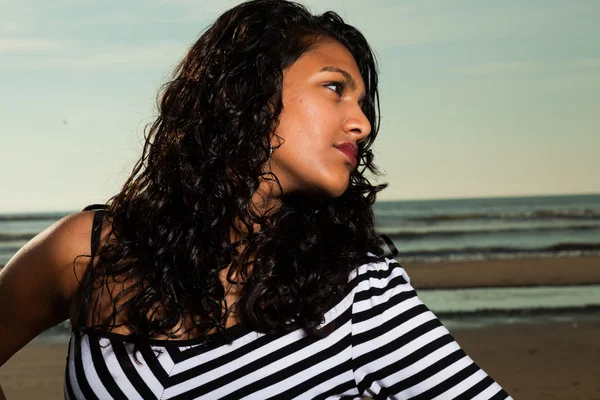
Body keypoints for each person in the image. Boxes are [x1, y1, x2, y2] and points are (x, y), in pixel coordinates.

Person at [0, 1, 513, 398]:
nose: (362, 122)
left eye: (362, 102)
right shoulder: (86, 249)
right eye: (335, 88)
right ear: (246, 91)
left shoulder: (360, 295)